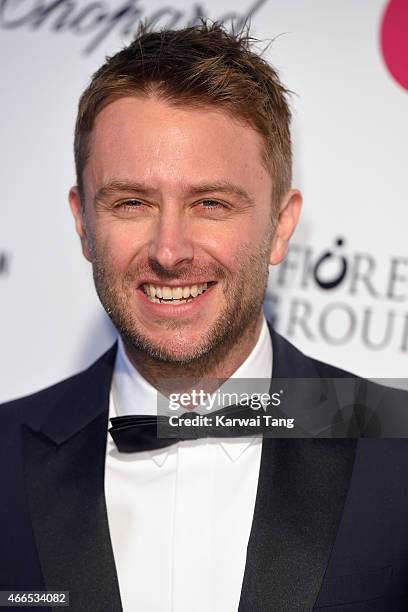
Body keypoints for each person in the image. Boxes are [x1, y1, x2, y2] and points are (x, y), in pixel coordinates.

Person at [1, 22, 407, 612]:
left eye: (210, 204)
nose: (169, 251)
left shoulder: (396, 454)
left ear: (280, 227)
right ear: (83, 222)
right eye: (132, 202)